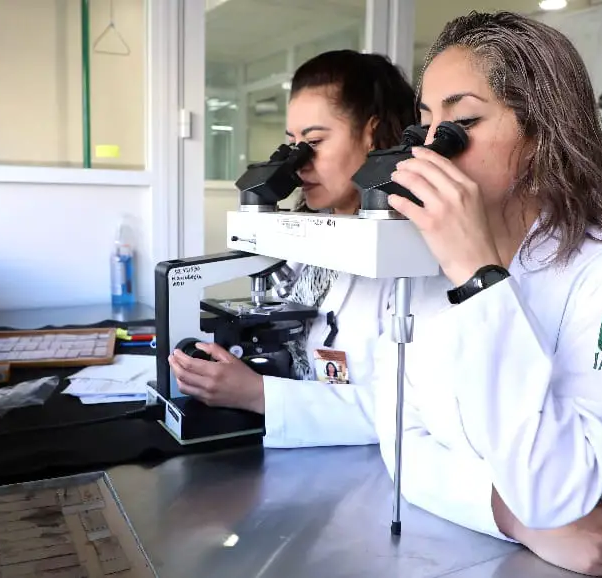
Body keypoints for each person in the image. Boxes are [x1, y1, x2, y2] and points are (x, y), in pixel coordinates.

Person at [372, 10, 602, 577]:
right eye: (424, 125)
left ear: (541, 135)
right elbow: (399, 441)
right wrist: (511, 517)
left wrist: (478, 276)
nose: (429, 149)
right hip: (481, 551)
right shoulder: (420, 264)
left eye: (462, 122)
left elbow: (554, 487)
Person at [168, 49, 416, 448]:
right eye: (292, 145)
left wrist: (256, 394)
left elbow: (404, 413)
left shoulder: (410, 258)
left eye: (314, 141)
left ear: (374, 134)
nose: (299, 163)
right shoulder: (305, 235)